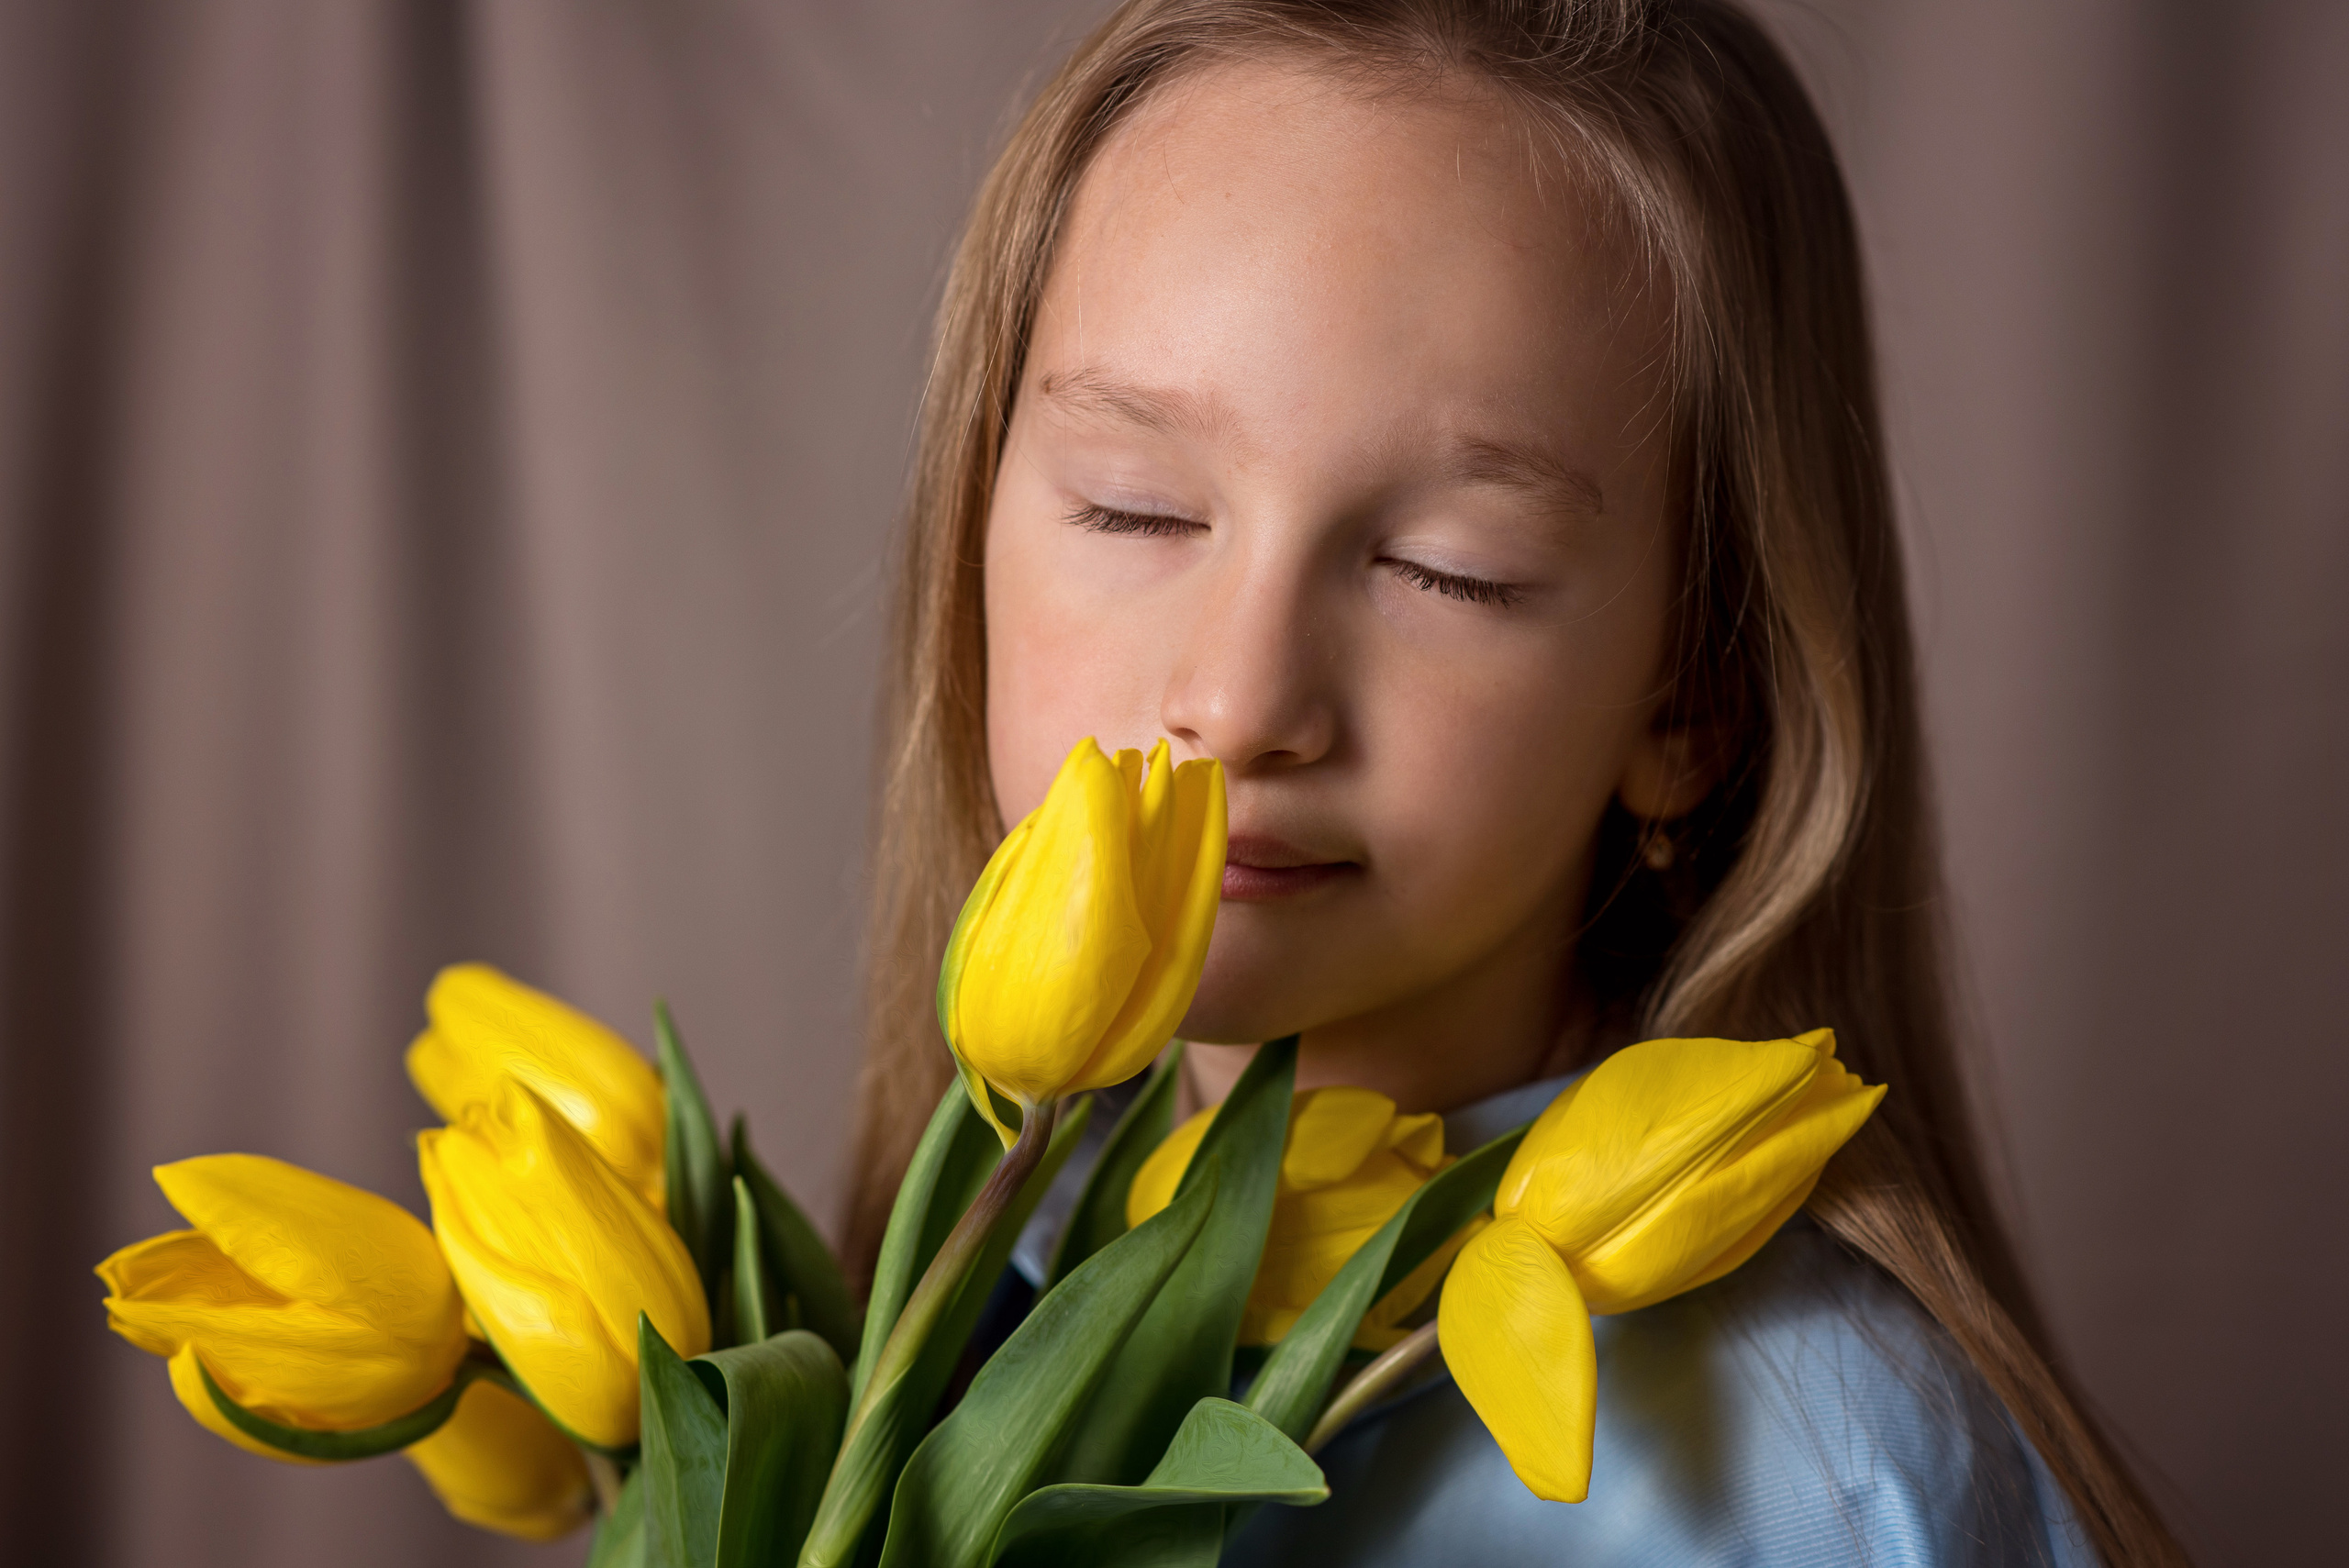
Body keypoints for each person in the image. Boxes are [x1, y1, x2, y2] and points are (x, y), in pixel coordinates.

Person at [842, 2, 2188, 1562]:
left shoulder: (1820, 1489)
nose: (1237, 701)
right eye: (1138, 511)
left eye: (1447, 571)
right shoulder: (924, 1314)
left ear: (1695, 699)